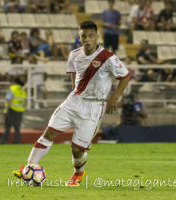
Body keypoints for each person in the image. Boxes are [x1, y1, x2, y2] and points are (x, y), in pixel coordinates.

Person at [12, 20, 130, 186]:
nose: (87, 39)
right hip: (73, 101)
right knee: (49, 133)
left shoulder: (108, 58)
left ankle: (78, 173)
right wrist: (76, 90)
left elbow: (125, 76)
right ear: (79, 38)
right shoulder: (74, 55)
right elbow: (74, 75)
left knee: (77, 150)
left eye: (90, 36)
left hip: (93, 107)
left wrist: (115, 97)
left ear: (97, 37)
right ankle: (30, 168)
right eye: (83, 36)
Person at [0, 77, 26, 144]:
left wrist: (7, 109)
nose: (10, 83)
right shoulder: (22, 90)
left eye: (11, 82)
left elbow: (9, 99)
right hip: (20, 110)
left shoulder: (12, 89)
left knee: (7, 127)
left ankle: (3, 141)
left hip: (12, 110)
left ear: (14, 82)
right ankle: (16, 141)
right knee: (17, 128)